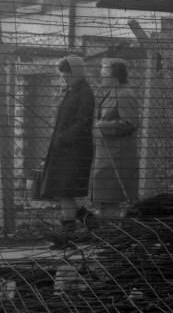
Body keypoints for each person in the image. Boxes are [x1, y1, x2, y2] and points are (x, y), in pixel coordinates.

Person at [37, 55, 95, 242]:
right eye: (63, 75)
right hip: (64, 149)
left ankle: (68, 234)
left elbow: (83, 122)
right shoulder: (72, 91)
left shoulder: (85, 93)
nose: (65, 78)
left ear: (77, 72)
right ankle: (89, 222)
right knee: (63, 191)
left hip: (75, 151)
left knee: (65, 191)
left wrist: (64, 137)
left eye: (68, 75)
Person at [90, 58, 140, 218]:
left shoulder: (125, 94)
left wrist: (101, 126)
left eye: (104, 74)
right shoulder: (113, 93)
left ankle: (111, 233)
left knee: (111, 199)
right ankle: (107, 233)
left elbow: (130, 123)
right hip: (107, 155)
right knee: (104, 199)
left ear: (115, 76)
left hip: (118, 156)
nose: (101, 77)